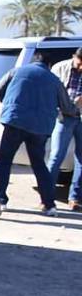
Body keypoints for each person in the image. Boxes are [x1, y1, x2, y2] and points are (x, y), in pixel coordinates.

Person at [0, 53, 78, 216]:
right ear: (48, 65)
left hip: (14, 122)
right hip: (40, 127)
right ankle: (49, 204)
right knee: (39, 165)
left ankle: (0, 199)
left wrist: (12, 105)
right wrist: (75, 110)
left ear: (34, 61)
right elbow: (67, 108)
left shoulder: (16, 71)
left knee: (5, 161)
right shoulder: (54, 80)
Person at [48, 48, 82, 210]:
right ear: (74, 57)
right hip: (64, 116)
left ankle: (74, 197)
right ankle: (47, 196)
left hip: (80, 117)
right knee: (56, 156)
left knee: (81, 159)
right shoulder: (60, 68)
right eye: (80, 64)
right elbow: (51, 93)